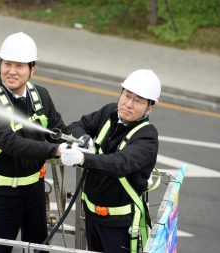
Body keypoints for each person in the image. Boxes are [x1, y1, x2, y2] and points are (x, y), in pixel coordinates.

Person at [0, 32, 67, 253]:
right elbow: (12, 144)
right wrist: (56, 150)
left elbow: (57, 129)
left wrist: (77, 142)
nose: (11, 71)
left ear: (32, 69)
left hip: (34, 190)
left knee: (38, 248)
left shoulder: (40, 95)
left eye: (19, 66)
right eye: (7, 64)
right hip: (1, 193)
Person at [60, 69, 161, 253]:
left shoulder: (147, 136)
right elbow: (76, 125)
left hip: (119, 225)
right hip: (92, 216)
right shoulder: (109, 112)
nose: (128, 104)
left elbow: (119, 164)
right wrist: (84, 139)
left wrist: (83, 157)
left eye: (138, 100)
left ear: (150, 107)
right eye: (127, 95)